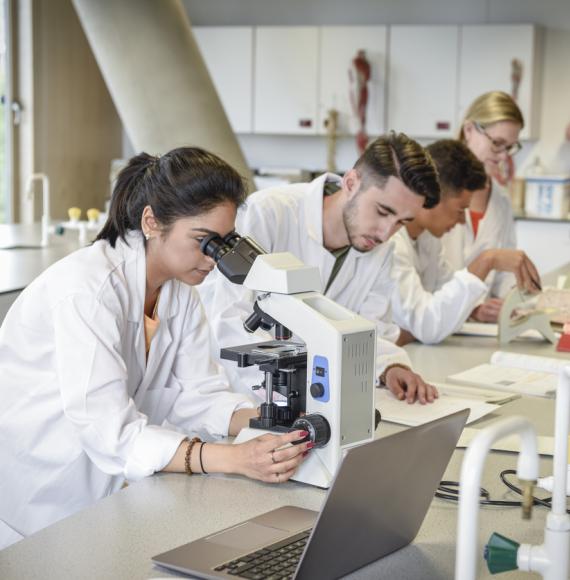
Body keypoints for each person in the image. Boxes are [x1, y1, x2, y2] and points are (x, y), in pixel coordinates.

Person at [0, 147, 311, 550]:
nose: (214, 259)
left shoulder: (179, 291)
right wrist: (235, 458)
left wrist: (271, 419)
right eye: (203, 241)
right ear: (151, 221)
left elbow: (196, 393)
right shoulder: (86, 291)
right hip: (39, 497)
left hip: (103, 497)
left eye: (223, 243)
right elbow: (110, 432)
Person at [199, 132, 441, 405]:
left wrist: (390, 367)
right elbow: (227, 320)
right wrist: (282, 398)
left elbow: (370, 330)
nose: (386, 232)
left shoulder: (383, 248)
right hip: (238, 398)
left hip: (314, 400)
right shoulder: (268, 213)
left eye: (402, 222)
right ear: (351, 182)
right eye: (383, 212)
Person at [391, 140, 541, 346]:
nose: (462, 221)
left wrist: (474, 309)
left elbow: (444, 294)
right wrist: (487, 260)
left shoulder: (428, 238)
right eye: (460, 210)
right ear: (430, 196)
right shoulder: (392, 243)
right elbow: (428, 326)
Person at [442, 91, 525, 322]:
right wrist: (471, 308)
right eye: (497, 143)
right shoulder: (437, 192)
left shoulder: (501, 200)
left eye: (509, 147)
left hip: (479, 330)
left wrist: (509, 300)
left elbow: (504, 273)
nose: (502, 156)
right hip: (438, 324)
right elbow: (430, 278)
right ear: (469, 130)